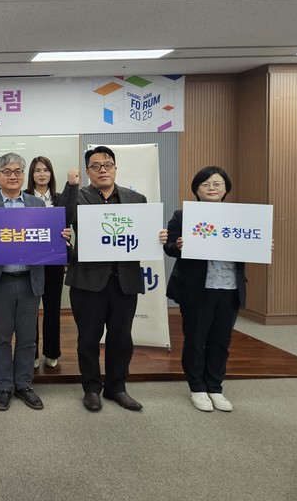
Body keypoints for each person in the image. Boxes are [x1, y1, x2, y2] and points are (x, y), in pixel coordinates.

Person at [65, 145, 168, 413]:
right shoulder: (78, 196)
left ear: (115, 169)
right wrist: (71, 186)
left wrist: (157, 238)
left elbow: (143, 234)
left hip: (125, 281)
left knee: (121, 338)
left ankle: (117, 386)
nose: (103, 170)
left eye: (107, 165)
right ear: (88, 171)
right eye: (96, 166)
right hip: (87, 281)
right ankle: (91, 388)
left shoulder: (136, 199)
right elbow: (63, 217)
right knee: (88, 339)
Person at [0, 153, 71, 411]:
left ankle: (24, 385)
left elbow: (47, 235)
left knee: (27, 338)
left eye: (17, 171)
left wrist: (61, 235)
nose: (13, 176)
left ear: (23, 175)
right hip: (0, 280)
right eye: (7, 172)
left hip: (29, 279)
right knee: (2, 337)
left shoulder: (36, 203)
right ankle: (4, 386)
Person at [164, 166, 246, 412]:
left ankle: (215, 388)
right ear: (196, 190)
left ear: (226, 188)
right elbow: (168, 246)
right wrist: (179, 246)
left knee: (221, 341)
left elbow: (249, 242)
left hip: (230, 287)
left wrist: (261, 245)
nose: (212, 188)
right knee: (195, 340)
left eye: (217, 184)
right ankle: (197, 388)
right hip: (197, 288)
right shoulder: (182, 216)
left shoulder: (239, 216)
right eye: (206, 184)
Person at [25, 156, 80, 369]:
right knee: (29, 311)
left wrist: (72, 185)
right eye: (37, 170)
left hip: (53, 261)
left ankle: (51, 352)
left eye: (46, 170)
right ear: (31, 175)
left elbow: (68, 218)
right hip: (29, 262)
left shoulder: (59, 198)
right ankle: (31, 353)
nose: (42, 174)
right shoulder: (23, 198)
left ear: (51, 174)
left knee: (52, 308)